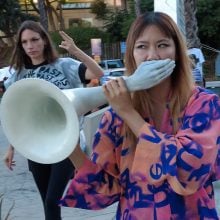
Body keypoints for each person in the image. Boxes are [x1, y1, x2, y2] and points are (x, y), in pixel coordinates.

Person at [59, 12, 220, 219]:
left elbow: (188, 171)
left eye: (162, 45)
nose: (152, 56)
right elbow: (105, 189)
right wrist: (68, 144)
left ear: (178, 52)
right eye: (142, 46)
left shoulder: (204, 104)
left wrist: (128, 112)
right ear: (132, 55)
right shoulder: (114, 118)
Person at [2, 20, 103, 220]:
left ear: (45, 41)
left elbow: (98, 74)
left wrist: (75, 51)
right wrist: (11, 148)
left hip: (67, 144)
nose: (30, 46)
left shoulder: (64, 66)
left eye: (34, 40)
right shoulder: (18, 76)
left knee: (51, 200)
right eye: (24, 42)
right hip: (37, 144)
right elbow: (18, 115)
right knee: (47, 203)